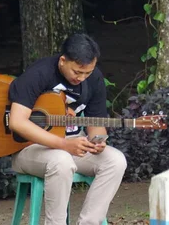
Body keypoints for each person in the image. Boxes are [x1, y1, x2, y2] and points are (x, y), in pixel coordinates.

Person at [8, 33, 127, 225]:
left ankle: (89, 222)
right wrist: (63, 144)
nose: (81, 78)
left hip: (71, 145)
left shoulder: (93, 78)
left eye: (87, 73)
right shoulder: (39, 74)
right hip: (29, 149)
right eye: (77, 72)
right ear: (63, 60)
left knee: (115, 161)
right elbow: (17, 122)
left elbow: (96, 125)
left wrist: (98, 142)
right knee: (61, 160)